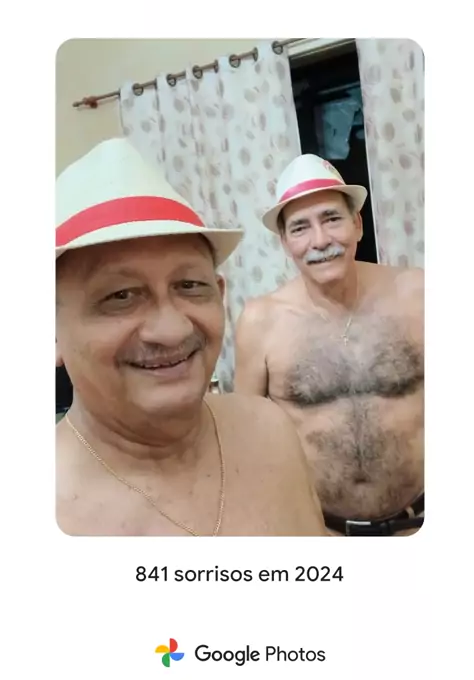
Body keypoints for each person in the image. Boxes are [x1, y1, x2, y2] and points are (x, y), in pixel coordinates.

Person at [56, 138, 327, 537]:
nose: (173, 330)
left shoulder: (269, 430)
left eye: (189, 285)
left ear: (220, 293)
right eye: (120, 296)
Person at [234, 154, 424, 536]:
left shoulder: (418, 295)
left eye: (332, 219)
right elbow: (247, 442)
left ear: (357, 225)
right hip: (321, 533)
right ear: (285, 242)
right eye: (300, 227)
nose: (320, 241)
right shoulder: (260, 322)